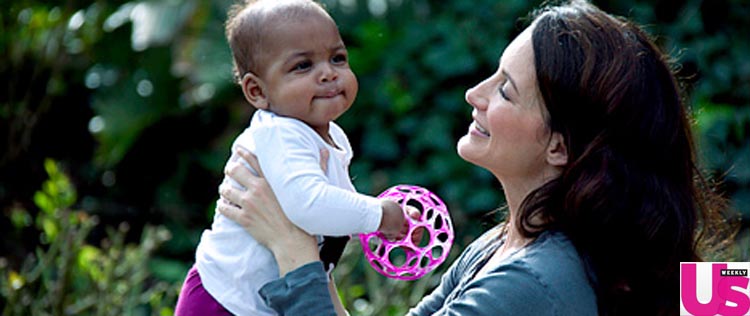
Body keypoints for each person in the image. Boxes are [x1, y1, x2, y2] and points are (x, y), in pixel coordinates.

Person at [217, 0, 735, 315]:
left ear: (561, 146)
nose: (474, 93)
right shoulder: (505, 244)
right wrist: (312, 253)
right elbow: (727, 297)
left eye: (506, 91)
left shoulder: (531, 282)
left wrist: (291, 248)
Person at [174, 1, 409, 315]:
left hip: (262, 298)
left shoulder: (329, 135)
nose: (328, 73)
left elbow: (331, 208)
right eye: (303, 66)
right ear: (257, 92)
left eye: (337, 58)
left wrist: (381, 229)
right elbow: (309, 205)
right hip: (223, 301)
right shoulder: (280, 134)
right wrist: (379, 214)